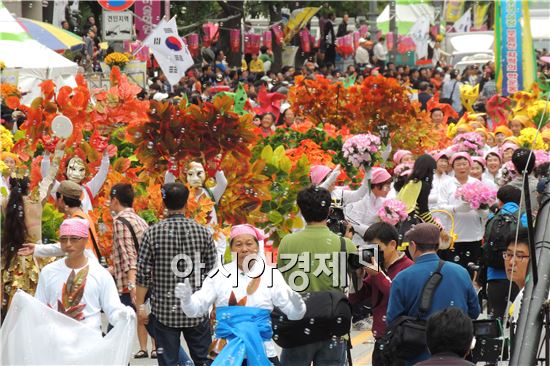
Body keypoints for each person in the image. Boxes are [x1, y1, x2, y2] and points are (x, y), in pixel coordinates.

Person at [175, 224, 306, 365]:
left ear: (257, 247)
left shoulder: (271, 274)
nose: (244, 249)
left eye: (249, 244)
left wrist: (299, 307)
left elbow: (293, 314)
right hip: (226, 352)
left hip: (262, 352)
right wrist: (187, 300)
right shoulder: (218, 275)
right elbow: (195, 310)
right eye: (238, 244)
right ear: (231, 248)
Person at [135, 183, 217, 366]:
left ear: (163, 204)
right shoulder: (203, 232)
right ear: (187, 204)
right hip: (197, 309)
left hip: (164, 311)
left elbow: (143, 274)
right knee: (204, 360)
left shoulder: (152, 233)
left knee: (168, 361)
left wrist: (140, 307)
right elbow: (213, 273)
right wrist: (215, 306)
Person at [277, 186, 357, 365]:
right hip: (332, 325)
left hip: (297, 324)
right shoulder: (344, 244)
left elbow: (282, 280)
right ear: (329, 211)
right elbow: (362, 279)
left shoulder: (286, 243)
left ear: (300, 210)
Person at [386, 223, 481, 365]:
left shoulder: (403, 277)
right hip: (457, 355)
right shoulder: (460, 271)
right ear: (438, 245)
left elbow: (392, 320)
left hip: (416, 354)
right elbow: (474, 312)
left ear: (413, 245)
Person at [35, 218, 134, 332]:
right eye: (63, 239)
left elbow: (113, 310)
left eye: (74, 239)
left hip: (89, 343)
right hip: (55, 343)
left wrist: (125, 315)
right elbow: (38, 308)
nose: (68, 244)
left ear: (86, 240)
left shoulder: (100, 274)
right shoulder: (48, 272)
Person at [350, 223, 413, 365]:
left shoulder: (408, 267)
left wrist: (377, 275)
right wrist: (357, 277)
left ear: (392, 244)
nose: (372, 253)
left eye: (375, 248)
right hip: (380, 338)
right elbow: (355, 298)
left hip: (400, 340)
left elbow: (398, 297)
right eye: (368, 248)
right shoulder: (378, 267)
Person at [108, 183, 156, 359]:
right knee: (146, 325)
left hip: (132, 286)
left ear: (114, 200)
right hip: (145, 280)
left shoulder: (120, 221)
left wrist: (131, 284)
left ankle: (185, 361)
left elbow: (130, 256)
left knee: (118, 326)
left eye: (110, 201)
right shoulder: (139, 219)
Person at [437, 152, 490, 268]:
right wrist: (457, 209)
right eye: (458, 165)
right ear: (452, 167)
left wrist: (479, 209)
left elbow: (485, 209)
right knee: (453, 268)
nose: (462, 167)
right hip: (453, 235)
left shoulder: (476, 183)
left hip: (473, 235)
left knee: (471, 268)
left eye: (464, 164)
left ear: (470, 166)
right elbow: (440, 208)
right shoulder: (446, 184)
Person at [483, 185, 523, 320]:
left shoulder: (492, 217)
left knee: (494, 321)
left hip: (494, 274)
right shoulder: (524, 218)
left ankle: (492, 340)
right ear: (520, 201)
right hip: (518, 275)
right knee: (519, 319)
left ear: (499, 201)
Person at [41, 148, 110, 213]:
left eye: (80, 169)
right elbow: (47, 177)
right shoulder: (60, 189)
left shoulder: (88, 190)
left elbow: (102, 174)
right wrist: (47, 155)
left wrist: (105, 155)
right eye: (73, 169)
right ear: (65, 170)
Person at [345, 167, 392, 245]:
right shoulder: (361, 200)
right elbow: (354, 223)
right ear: (377, 185)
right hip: (358, 243)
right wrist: (376, 231)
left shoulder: (380, 200)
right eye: (387, 186)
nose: (389, 189)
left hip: (374, 242)